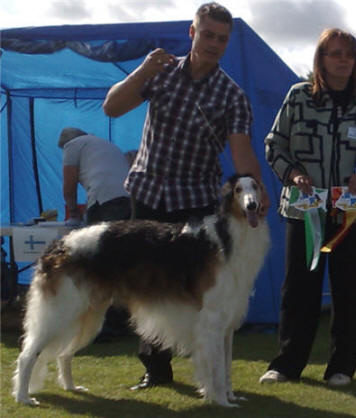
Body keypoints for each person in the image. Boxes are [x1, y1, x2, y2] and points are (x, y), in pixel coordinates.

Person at [103, 2, 270, 390]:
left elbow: (243, 155)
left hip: (194, 203)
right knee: (147, 287)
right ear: (192, 33)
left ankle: (209, 375)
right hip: (146, 192)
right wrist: (143, 69)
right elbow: (112, 106)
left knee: (195, 297)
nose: (213, 44)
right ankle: (155, 370)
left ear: (227, 43)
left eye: (222, 39)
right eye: (207, 34)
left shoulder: (232, 95)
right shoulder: (158, 72)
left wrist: (257, 192)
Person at [260, 28, 356, 386]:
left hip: (350, 212)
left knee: (349, 288)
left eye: (349, 53)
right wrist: (294, 173)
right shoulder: (299, 96)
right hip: (305, 209)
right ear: (321, 59)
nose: (343, 60)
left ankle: (342, 367)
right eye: (335, 53)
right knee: (300, 288)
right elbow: (274, 144)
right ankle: (286, 364)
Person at [58, 127, 132, 339]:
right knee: (122, 263)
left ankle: (105, 327)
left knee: (100, 265)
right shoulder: (106, 145)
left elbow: (69, 184)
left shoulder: (72, 145)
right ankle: (122, 322)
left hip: (105, 201)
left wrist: (72, 211)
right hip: (129, 200)